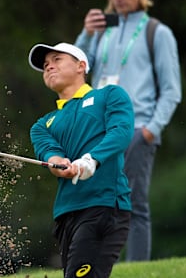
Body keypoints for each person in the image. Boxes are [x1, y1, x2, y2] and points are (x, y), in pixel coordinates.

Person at [73, 0, 182, 261]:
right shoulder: (102, 29)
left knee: (132, 203)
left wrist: (150, 130)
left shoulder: (156, 32)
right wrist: (85, 35)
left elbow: (172, 90)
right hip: (99, 130)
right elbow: (77, 69)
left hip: (137, 129)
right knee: (96, 202)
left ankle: (137, 267)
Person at [28, 42, 134, 278]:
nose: (49, 67)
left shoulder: (108, 95)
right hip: (66, 214)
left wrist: (91, 160)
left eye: (57, 60)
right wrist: (60, 165)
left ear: (81, 66)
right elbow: (50, 154)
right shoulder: (42, 124)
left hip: (104, 204)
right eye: (45, 65)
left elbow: (121, 132)